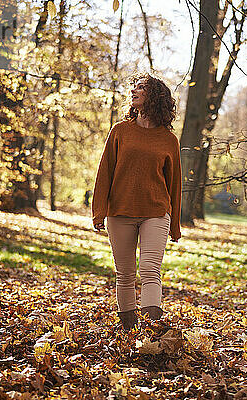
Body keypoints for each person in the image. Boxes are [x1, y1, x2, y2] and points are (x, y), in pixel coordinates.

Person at [91, 73, 182, 331]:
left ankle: (152, 332)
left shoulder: (168, 140)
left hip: (155, 212)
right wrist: (99, 210)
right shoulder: (120, 131)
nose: (134, 91)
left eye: (140, 88)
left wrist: (175, 225)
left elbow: (174, 185)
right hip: (120, 211)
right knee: (125, 274)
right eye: (134, 88)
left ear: (154, 96)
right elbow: (105, 171)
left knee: (151, 271)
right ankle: (129, 332)